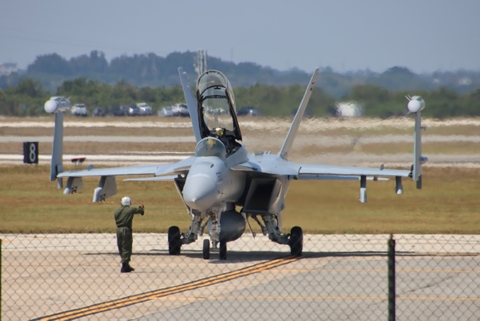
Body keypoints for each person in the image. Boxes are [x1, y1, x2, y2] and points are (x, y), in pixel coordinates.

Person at [114, 196, 145, 273]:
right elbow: (139, 211)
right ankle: (124, 266)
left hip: (118, 230)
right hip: (126, 230)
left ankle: (126, 264)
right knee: (126, 247)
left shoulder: (117, 210)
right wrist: (141, 207)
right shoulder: (130, 209)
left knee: (120, 246)